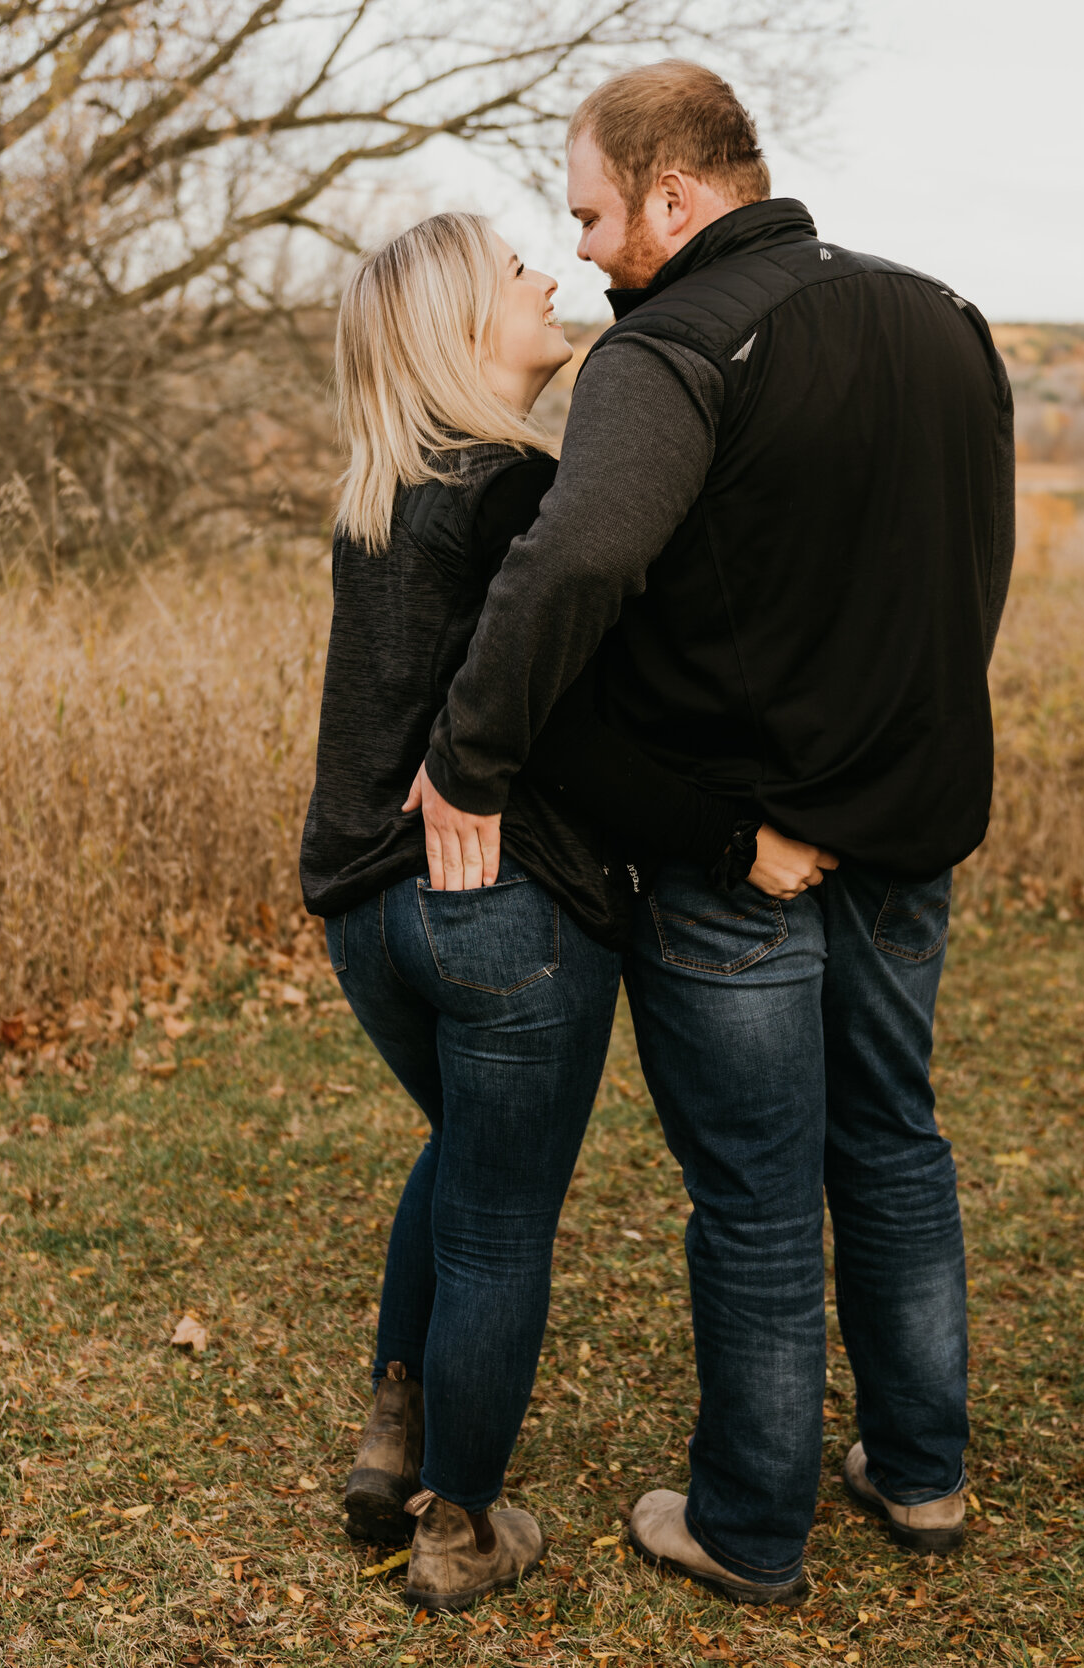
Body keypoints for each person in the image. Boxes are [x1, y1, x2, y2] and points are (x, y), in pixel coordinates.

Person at [408, 62, 1017, 1605]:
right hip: (902, 832)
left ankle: (750, 1525)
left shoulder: (671, 349)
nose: (590, 245)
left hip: (731, 856)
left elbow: (570, 570)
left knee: (753, 1193)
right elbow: (966, 585)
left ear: (678, 199)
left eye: (598, 212)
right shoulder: (945, 320)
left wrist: (469, 763)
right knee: (894, 1141)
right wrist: (873, 786)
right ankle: (923, 1472)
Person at [300, 211, 837, 1615]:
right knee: (498, 1220)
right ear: (467, 327)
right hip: (498, 915)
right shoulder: (515, 500)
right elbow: (596, 746)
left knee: (462, 1155)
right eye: (517, 271)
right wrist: (741, 836)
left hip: (366, 917)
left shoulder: (384, 497)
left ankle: (395, 1430)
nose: (549, 276)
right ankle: (464, 1530)